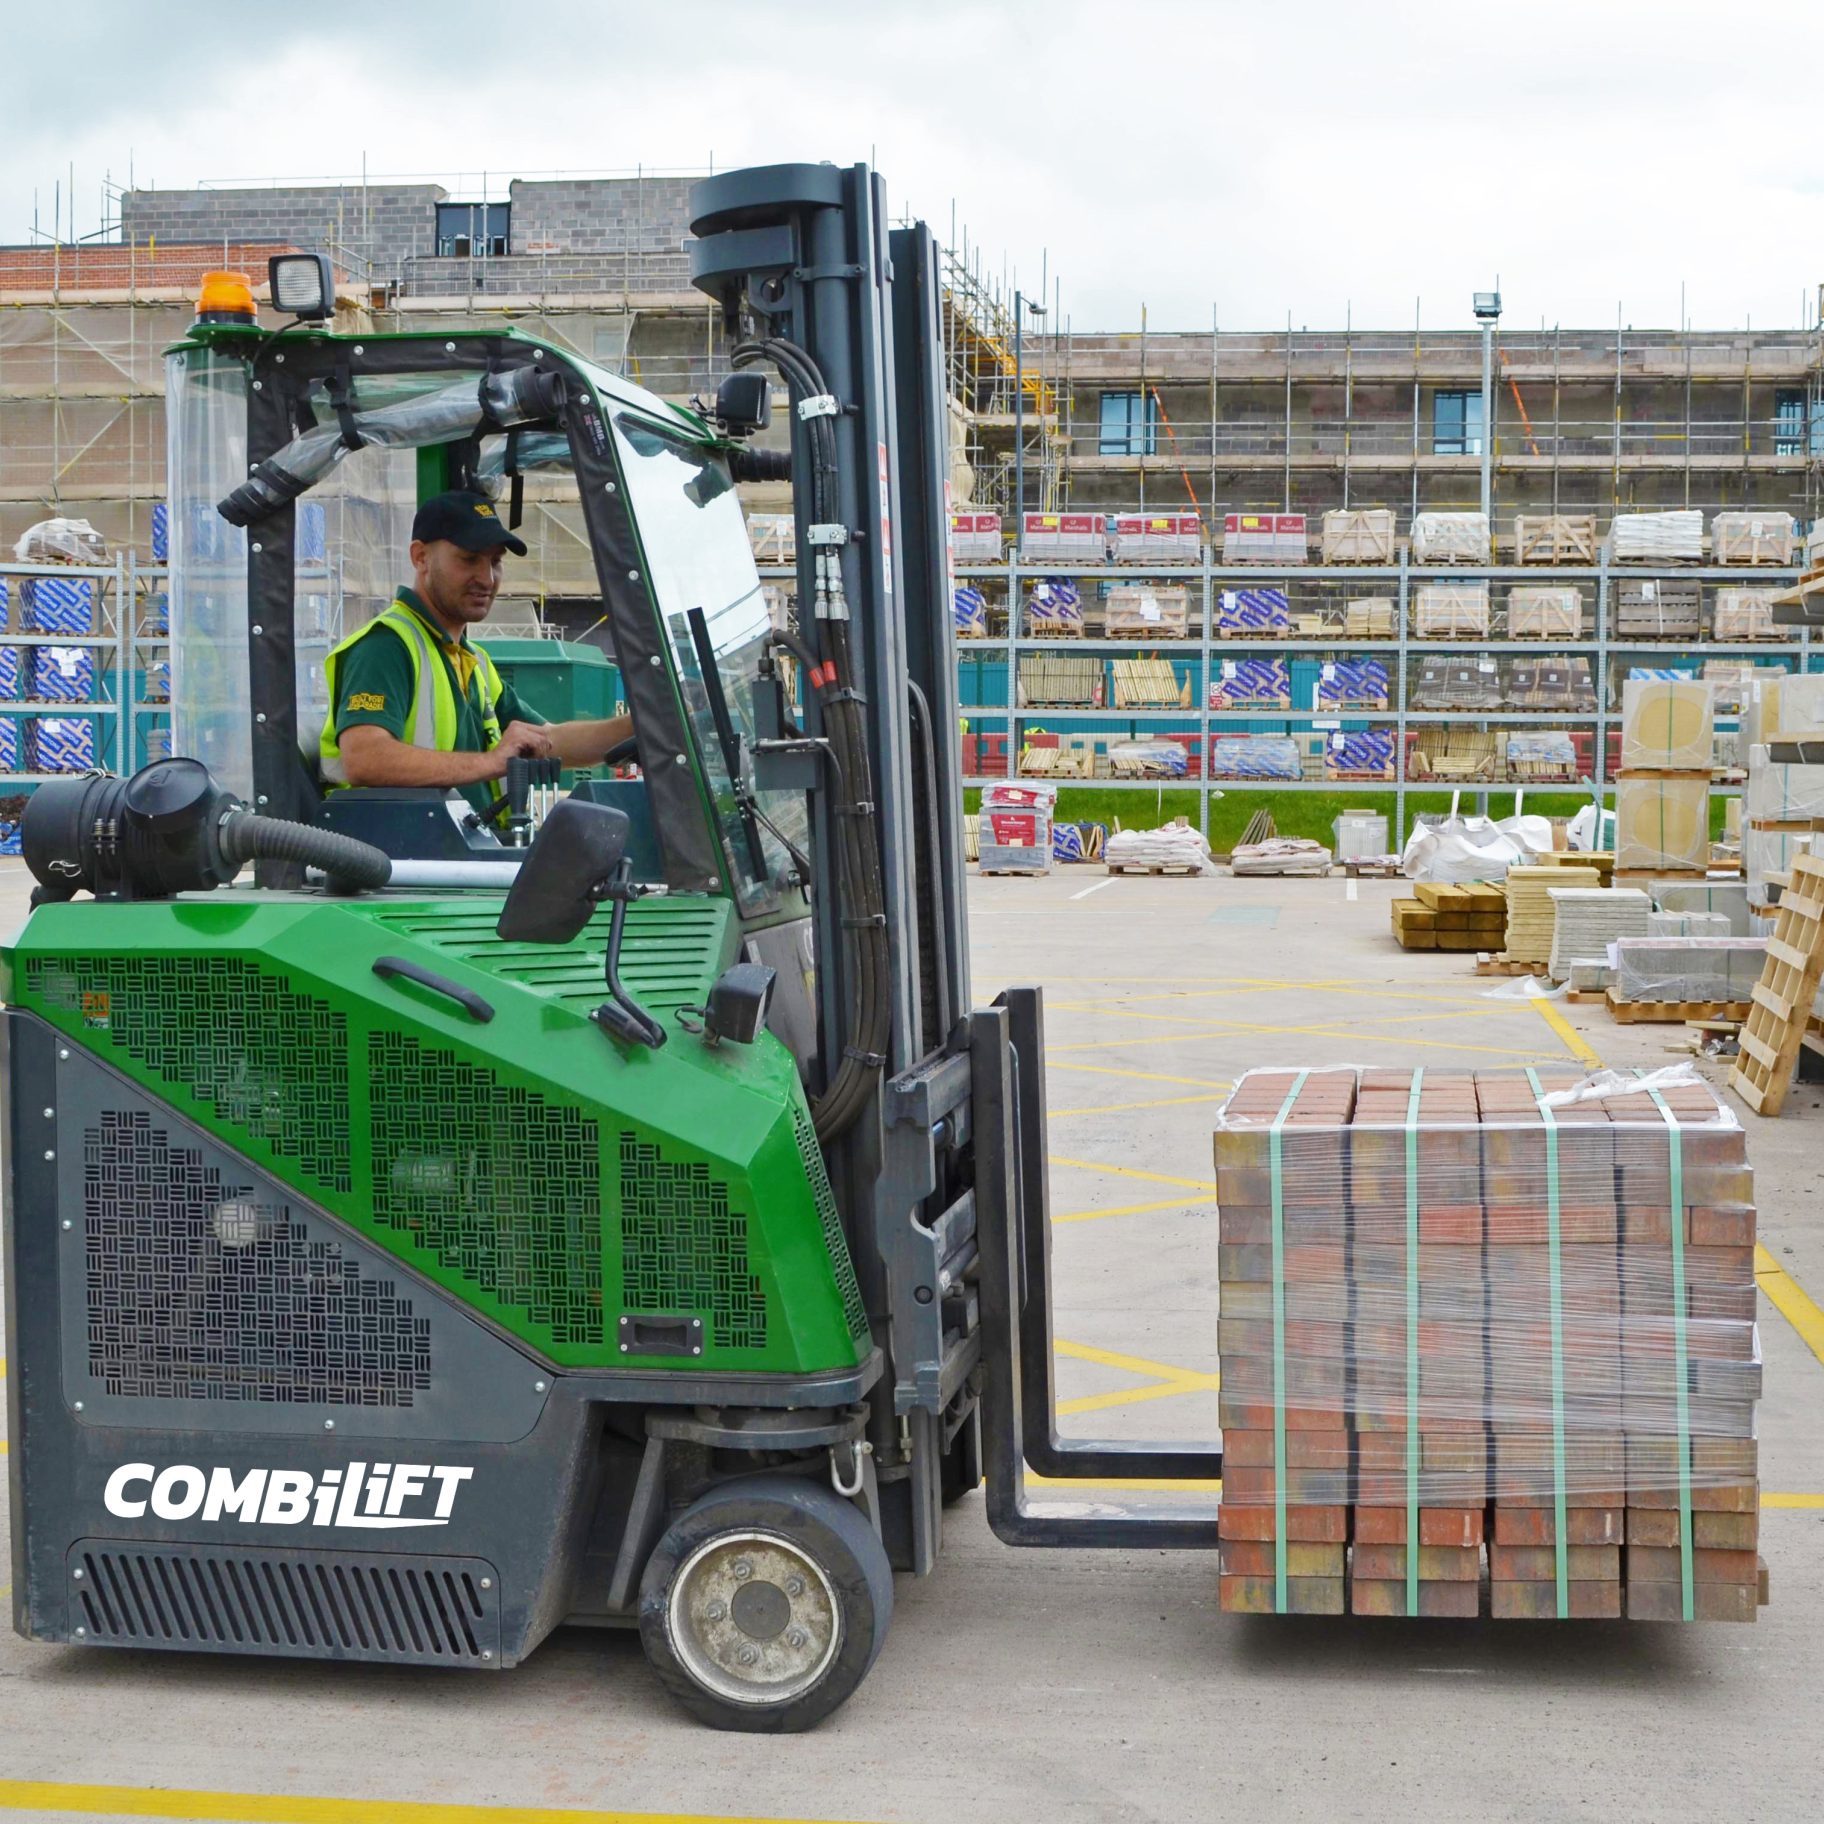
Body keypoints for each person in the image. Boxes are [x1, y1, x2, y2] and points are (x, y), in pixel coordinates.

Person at [318, 489, 632, 810]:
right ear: (420, 557)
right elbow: (365, 758)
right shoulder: (386, 646)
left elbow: (548, 741)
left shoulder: (472, 661)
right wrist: (492, 761)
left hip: (458, 850)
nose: (487, 578)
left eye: (495, 562)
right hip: (405, 853)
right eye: (469, 559)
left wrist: (644, 727)